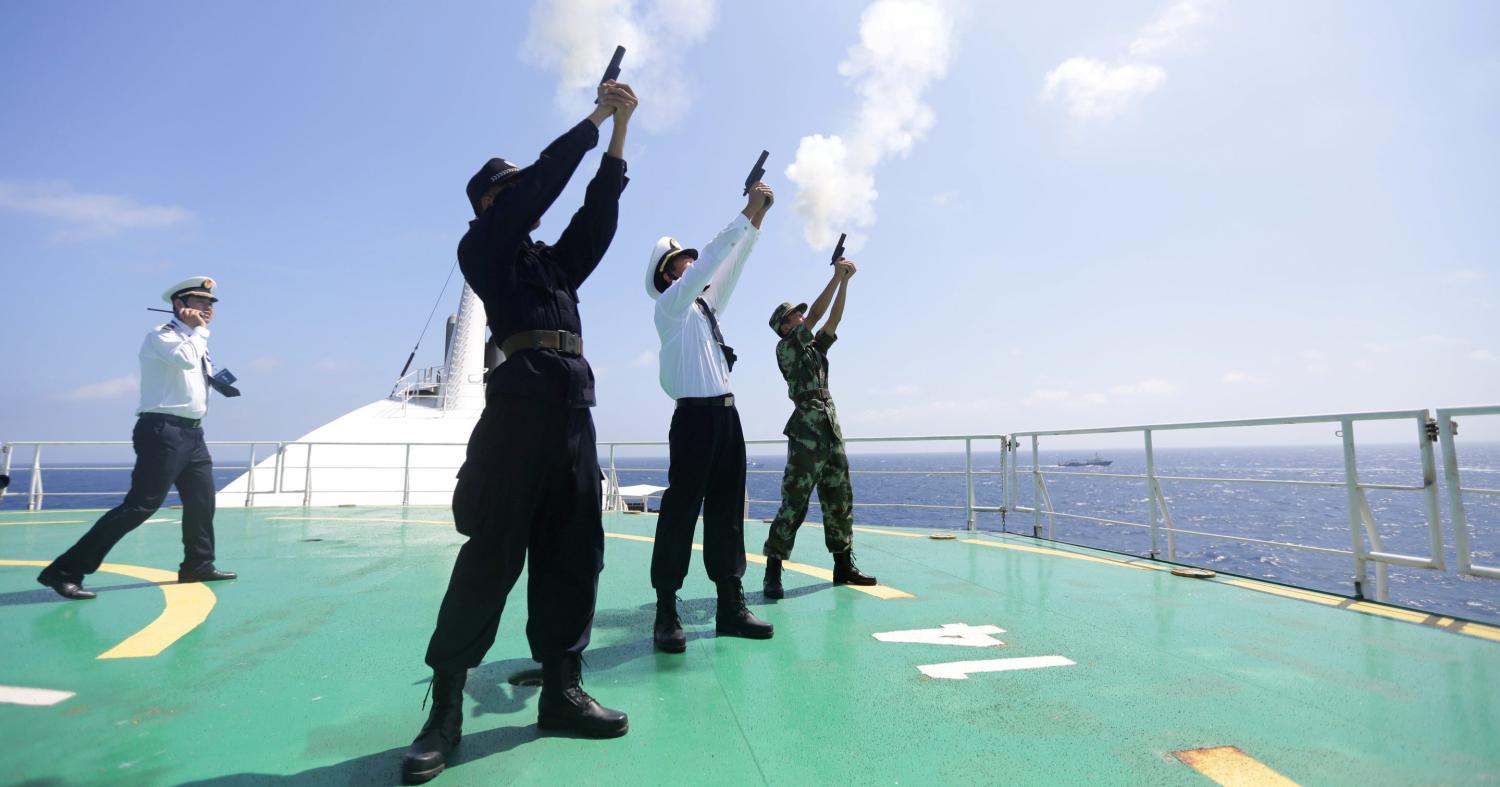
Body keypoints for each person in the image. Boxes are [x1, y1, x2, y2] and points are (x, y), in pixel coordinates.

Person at [400, 79, 638, 785]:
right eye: (509, 188)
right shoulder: (484, 249)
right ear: (489, 202)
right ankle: (444, 709)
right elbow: (541, 189)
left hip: (573, 417)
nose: (521, 195)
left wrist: (621, 130)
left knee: (574, 552)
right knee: (491, 555)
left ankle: (562, 691)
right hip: (517, 417)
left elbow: (596, 216)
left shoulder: (549, 265)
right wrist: (593, 117)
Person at [37, 277, 238, 601]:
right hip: (163, 431)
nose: (208, 308)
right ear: (179, 305)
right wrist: (198, 331)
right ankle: (64, 570)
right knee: (140, 506)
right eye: (200, 302)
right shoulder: (162, 336)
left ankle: (198, 565)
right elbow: (184, 360)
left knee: (202, 502)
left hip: (192, 433)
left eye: (211, 303)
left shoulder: (195, 341)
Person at [644, 180, 776, 653]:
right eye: (683, 263)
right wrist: (745, 210)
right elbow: (712, 262)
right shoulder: (671, 307)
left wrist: (757, 220)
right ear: (668, 276)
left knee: (726, 514)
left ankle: (729, 606)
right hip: (695, 422)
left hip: (726, 418)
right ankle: (666, 610)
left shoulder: (703, 307)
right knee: (680, 514)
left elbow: (731, 264)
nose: (692, 265)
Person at [761, 260, 878, 598]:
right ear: (784, 327)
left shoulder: (812, 350)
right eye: (794, 316)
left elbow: (833, 320)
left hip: (829, 426)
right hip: (806, 432)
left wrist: (845, 283)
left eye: (799, 314)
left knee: (839, 496)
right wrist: (833, 275)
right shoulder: (786, 348)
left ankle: (843, 566)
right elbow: (816, 316)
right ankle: (773, 571)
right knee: (794, 501)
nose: (801, 316)